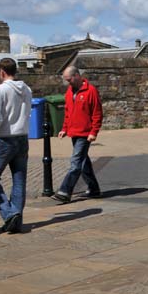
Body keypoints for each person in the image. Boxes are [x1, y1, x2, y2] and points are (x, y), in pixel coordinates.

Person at [0, 57, 32, 234]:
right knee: (19, 179)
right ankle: (16, 220)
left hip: (5, 138)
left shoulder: (0, 90)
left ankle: (8, 212)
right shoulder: (26, 89)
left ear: (2, 71)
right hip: (23, 137)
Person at [53, 66, 103, 203]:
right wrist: (64, 128)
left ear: (76, 75)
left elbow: (97, 113)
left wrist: (94, 132)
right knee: (84, 162)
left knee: (75, 162)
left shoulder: (91, 91)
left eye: (69, 80)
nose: (68, 83)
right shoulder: (69, 92)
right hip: (74, 132)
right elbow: (68, 113)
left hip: (85, 133)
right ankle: (94, 189)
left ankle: (65, 191)